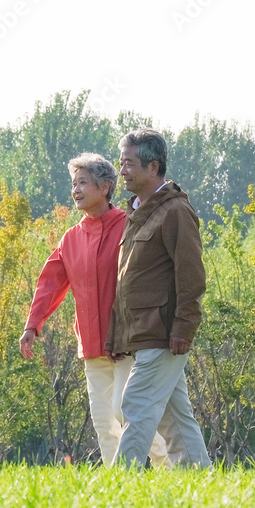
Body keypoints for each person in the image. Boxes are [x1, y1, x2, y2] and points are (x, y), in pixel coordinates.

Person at [20, 153, 168, 467]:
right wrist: (33, 325)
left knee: (124, 410)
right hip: (91, 347)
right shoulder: (71, 239)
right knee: (104, 422)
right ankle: (119, 484)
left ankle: (167, 464)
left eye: (83, 182)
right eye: (73, 184)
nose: (75, 190)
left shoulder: (128, 226)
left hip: (126, 343)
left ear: (104, 187)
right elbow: (49, 284)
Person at [106, 129, 211, 468]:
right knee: (174, 419)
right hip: (143, 333)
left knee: (135, 404)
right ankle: (201, 479)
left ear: (153, 167)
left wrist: (183, 328)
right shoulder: (138, 212)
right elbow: (129, 283)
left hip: (165, 334)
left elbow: (191, 276)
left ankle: (121, 481)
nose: (122, 170)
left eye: (129, 164)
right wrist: (117, 334)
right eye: (121, 163)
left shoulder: (175, 211)